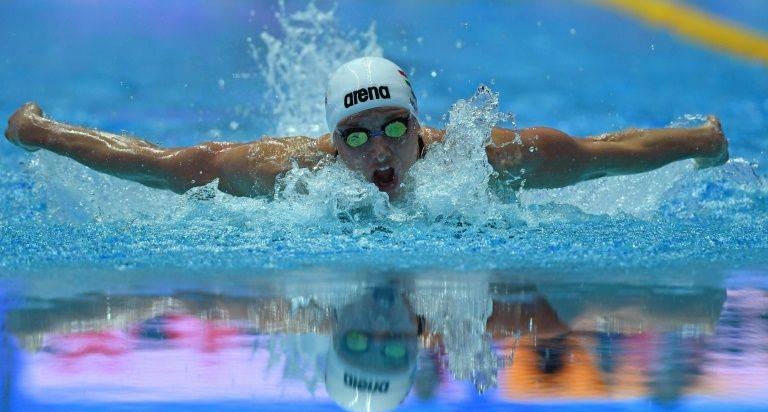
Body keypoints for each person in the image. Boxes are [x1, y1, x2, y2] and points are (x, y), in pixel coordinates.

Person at [4, 57, 728, 198]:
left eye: (391, 128)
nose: (378, 148)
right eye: (356, 135)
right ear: (330, 140)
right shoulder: (291, 170)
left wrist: (702, 141)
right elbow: (161, 164)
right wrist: (40, 132)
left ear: (419, 124)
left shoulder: (489, 159)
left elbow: (608, 154)